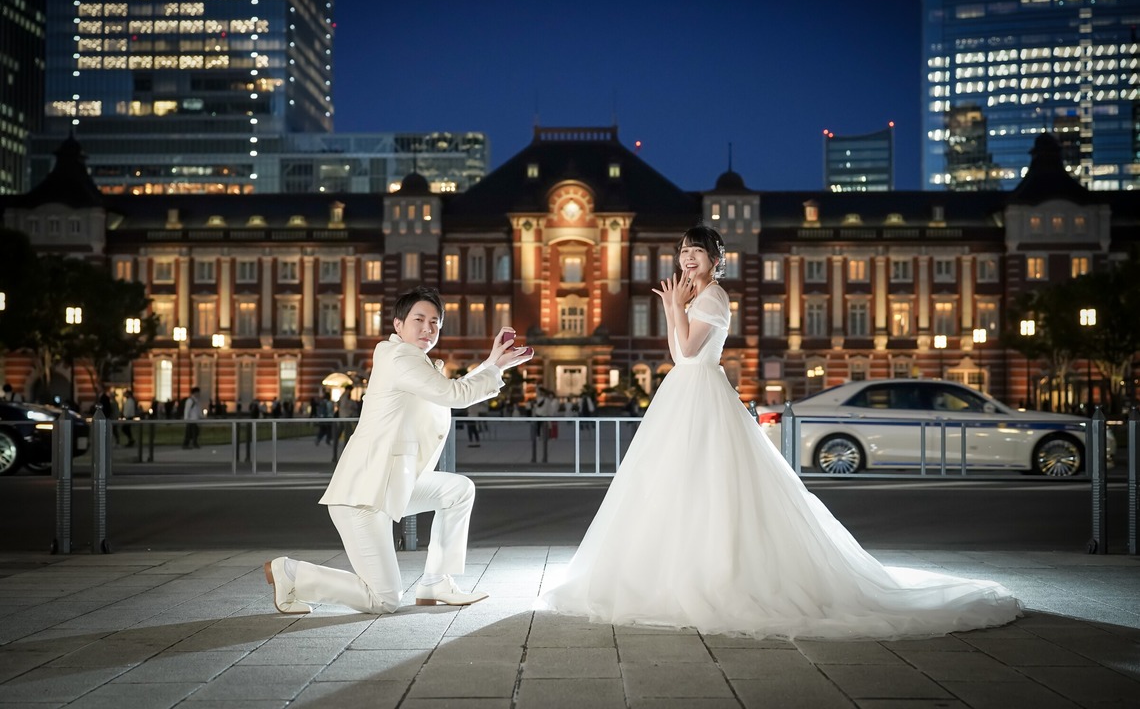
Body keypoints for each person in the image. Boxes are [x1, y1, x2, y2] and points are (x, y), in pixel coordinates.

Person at [540, 225, 1021, 640]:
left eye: (697, 251)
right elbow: (678, 356)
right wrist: (677, 306)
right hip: (685, 392)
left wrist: (672, 306)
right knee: (676, 483)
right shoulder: (696, 297)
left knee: (708, 483)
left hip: (700, 394)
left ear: (715, 260)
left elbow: (686, 350)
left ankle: (713, 573)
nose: (687, 257)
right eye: (684, 250)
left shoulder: (713, 296)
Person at [264, 286, 534, 615]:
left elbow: (449, 390)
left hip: (391, 485)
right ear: (398, 325)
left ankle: (436, 582)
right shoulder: (400, 357)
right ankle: (291, 574)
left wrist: (493, 363)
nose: (427, 328)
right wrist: (494, 368)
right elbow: (454, 395)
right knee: (384, 600)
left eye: (435, 322)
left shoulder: (410, 361)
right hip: (363, 497)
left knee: (458, 491)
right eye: (419, 319)